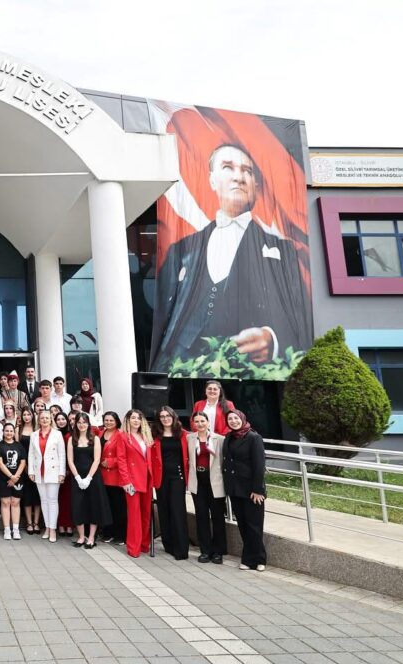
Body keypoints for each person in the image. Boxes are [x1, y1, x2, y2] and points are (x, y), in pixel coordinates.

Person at [150, 143, 311, 373]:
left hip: (251, 371)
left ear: (256, 184)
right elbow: (162, 315)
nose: (239, 177)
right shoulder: (180, 251)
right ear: (212, 180)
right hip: (182, 369)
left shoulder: (283, 252)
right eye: (228, 167)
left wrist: (273, 339)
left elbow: (300, 317)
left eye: (247, 170)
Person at [221, 410, 267, 571]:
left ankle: (259, 559)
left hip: (252, 490)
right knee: (243, 525)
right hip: (235, 489)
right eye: (230, 419)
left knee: (254, 525)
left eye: (235, 418)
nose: (233, 421)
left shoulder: (254, 437)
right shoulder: (229, 438)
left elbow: (259, 465)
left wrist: (258, 489)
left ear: (242, 419)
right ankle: (248, 559)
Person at [116, 409, 159, 558]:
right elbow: (121, 460)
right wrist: (126, 481)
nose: (136, 421)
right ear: (128, 420)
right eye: (133, 418)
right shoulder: (122, 436)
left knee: (146, 513)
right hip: (132, 480)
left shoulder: (146, 435)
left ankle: (144, 544)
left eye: (138, 418)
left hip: (147, 479)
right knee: (134, 515)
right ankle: (133, 547)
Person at [188, 411, 227, 564]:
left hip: (215, 482)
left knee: (217, 517)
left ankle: (218, 551)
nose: (199, 424)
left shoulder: (220, 439)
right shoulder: (189, 438)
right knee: (201, 516)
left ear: (208, 422)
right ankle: (205, 550)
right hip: (198, 481)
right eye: (196, 421)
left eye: (202, 421)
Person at [151, 406, 190, 560]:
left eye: (168, 415)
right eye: (162, 416)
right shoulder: (155, 435)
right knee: (164, 510)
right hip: (161, 477)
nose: (165, 418)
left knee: (177, 511)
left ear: (173, 417)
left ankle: (181, 549)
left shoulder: (183, 434)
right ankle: (169, 545)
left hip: (178, 477)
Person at [67, 412, 110, 549]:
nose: (81, 425)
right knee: (78, 505)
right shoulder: (71, 439)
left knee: (93, 506)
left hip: (93, 477)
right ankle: (81, 537)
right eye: (79, 422)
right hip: (77, 477)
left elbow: (97, 459)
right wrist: (78, 478)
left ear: (88, 423)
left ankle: (91, 537)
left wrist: (89, 478)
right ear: (76, 424)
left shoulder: (95, 438)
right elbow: (70, 460)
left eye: (84, 422)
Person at [28, 410, 66, 543]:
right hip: (39, 471)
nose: (44, 420)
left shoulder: (57, 434)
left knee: (53, 500)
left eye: (47, 418)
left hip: (53, 472)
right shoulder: (34, 435)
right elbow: (31, 454)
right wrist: (31, 471)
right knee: (43, 500)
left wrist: (62, 472)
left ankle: (53, 529)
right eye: (42, 418)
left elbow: (62, 454)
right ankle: (47, 528)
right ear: (38, 420)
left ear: (51, 420)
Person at [98, 411, 127, 545]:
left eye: (111, 420)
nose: (108, 422)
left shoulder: (121, 435)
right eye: (106, 420)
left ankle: (120, 535)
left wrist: (110, 462)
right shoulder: (100, 434)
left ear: (116, 422)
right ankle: (107, 533)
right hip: (102, 475)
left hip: (115, 476)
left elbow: (125, 456)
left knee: (118, 507)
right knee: (105, 506)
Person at [0, 422, 26, 540]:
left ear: (14, 432)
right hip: (3, 478)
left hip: (18, 478)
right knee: (6, 503)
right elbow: (0, 463)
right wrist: (10, 476)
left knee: (15, 503)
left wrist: (15, 477)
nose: (9, 433)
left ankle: (16, 529)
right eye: (6, 431)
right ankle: (7, 529)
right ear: (3, 432)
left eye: (11, 431)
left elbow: (23, 462)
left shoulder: (19, 446)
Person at [17, 406, 41, 534]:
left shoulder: (37, 429)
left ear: (32, 415)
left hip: (37, 466)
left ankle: (36, 522)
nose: (26, 417)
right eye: (24, 414)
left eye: (28, 414)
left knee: (37, 496)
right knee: (26, 496)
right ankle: (29, 522)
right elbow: (16, 448)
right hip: (22, 466)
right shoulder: (18, 430)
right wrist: (25, 467)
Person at [55, 411, 75, 538]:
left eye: (63, 419)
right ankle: (60, 525)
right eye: (58, 419)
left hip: (68, 471)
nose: (61, 421)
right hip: (55, 470)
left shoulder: (70, 435)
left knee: (67, 499)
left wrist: (67, 469)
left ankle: (69, 525)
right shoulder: (54, 434)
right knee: (57, 499)